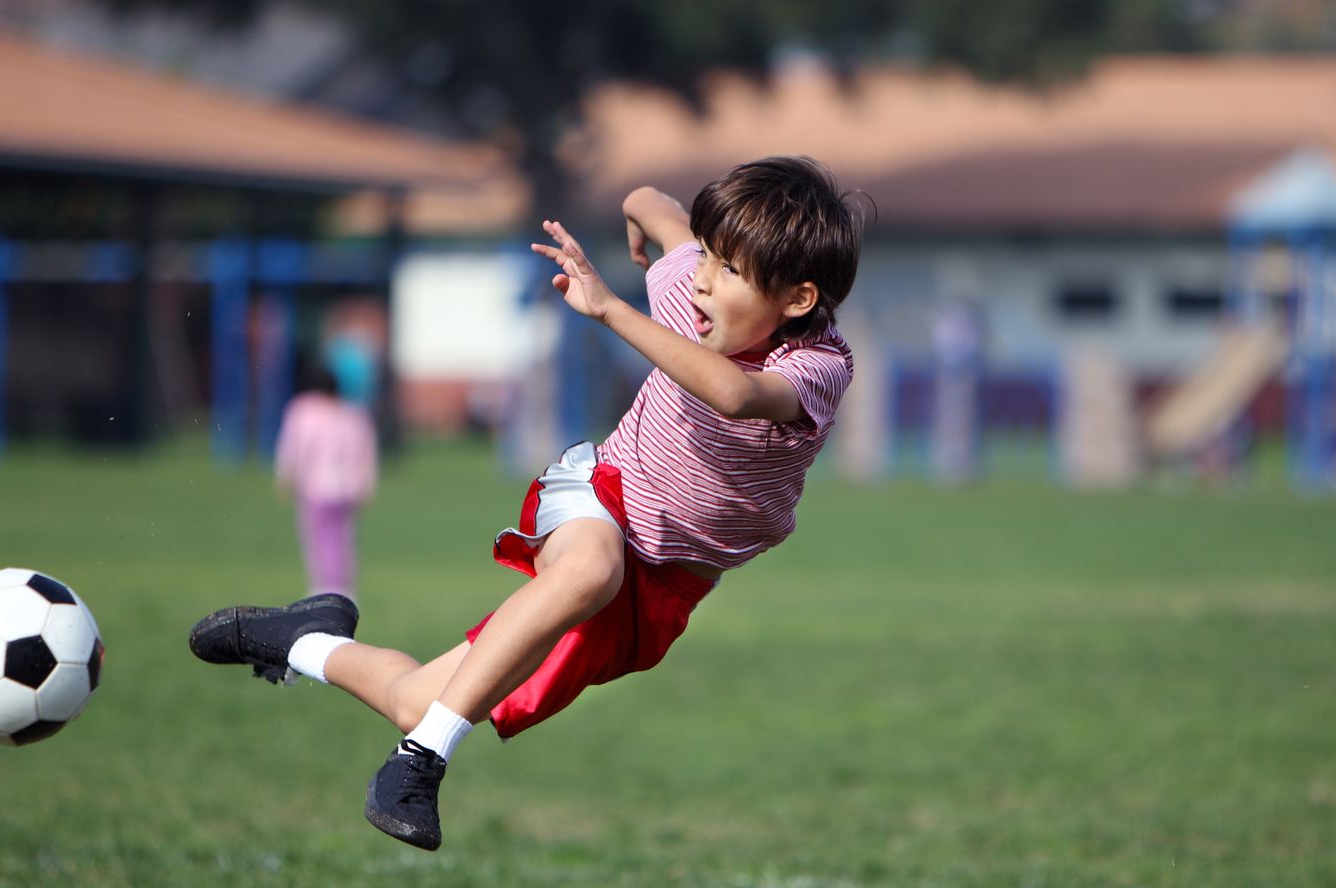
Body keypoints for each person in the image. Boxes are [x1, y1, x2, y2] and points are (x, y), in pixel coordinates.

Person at [189, 156, 864, 850]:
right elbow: (657, 206)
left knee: (417, 700)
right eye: (707, 258)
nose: (699, 279)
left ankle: (304, 638)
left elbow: (735, 393)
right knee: (587, 571)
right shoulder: (690, 295)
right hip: (602, 498)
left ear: (798, 299)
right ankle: (420, 765)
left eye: (728, 270)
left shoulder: (817, 366)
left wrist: (610, 304)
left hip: (666, 583)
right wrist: (639, 212)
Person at [272, 361, 379, 598]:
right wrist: (366, 485)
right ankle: (345, 593)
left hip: (316, 487)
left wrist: (286, 477)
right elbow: (365, 452)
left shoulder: (304, 411)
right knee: (342, 543)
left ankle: (321, 594)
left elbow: (294, 448)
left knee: (318, 543)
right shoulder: (352, 414)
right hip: (346, 489)